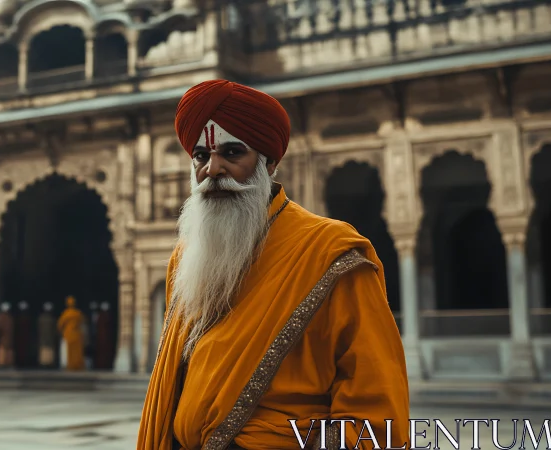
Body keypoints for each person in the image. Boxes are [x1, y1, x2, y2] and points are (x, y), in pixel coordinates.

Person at [137, 80, 410, 450]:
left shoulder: (328, 251)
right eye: (201, 156)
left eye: (232, 153)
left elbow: (377, 410)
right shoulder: (186, 258)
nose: (213, 169)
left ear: (270, 163)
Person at [57, 295, 86, 371]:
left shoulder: (66, 313)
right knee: (77, 351)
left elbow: (60, 324)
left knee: (69, 351)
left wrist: (60, 332)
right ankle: (78, 365)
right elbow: (83, 322)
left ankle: (70, 365)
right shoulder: (78, 313)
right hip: (77, 334)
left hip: (68, 334)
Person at [94, 302, 115, 370]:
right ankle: (102, 365)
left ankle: (104, 365)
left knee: (104, 353)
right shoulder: (103, 316)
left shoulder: (104, 316)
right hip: (103, 337)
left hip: (104, 337)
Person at [0, 302, 14, 369]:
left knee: (6, 351)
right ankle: (3, 364)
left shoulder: (6, 318)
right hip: (3, 338)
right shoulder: (6, 318)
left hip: (5, 338)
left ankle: (4, 363)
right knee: (3, 351)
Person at [14, 301, 34, 368]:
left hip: (24, 337)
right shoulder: (18, 318)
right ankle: (21, 362)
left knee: (24, 350)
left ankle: (24, 362)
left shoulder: (26, 318)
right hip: (20, 337)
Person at [37, 302, 57, 367]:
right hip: (48, 337)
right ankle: (48, 362)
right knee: (47, 349)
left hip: (45, 337)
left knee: (45, 349)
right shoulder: (52, 319)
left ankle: (45, 362)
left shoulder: (41, 318)